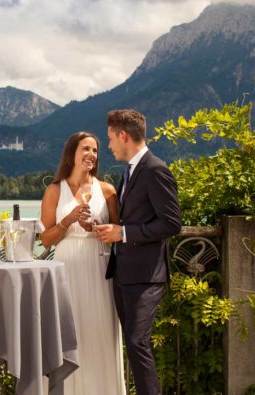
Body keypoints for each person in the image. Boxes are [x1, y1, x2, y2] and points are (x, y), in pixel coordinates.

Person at [95, 109, 181, 395]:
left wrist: (124, 233)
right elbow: (130, 218)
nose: (108, 146)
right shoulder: (129, 170)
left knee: (137, 342)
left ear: (123, 135)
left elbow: (171, 223)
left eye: (110, 139)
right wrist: (106, 228)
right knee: (132, 345)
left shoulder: (155, 169)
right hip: (124, 273)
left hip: (146, 276)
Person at [40, 131, 126, 394]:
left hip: (99, 271)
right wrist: (68, 220)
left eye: (95, 150)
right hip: (65, 272)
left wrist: (95, 227)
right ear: (72, 154)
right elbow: (45, 239)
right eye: (85, 149)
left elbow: (118, 236)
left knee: (98, 334)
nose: (91, 155)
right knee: (67, 335)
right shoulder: (54, 190)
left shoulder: (108, 191)